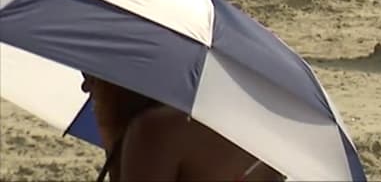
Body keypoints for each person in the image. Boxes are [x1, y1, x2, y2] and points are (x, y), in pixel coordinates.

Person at [82, 75, 281, 182]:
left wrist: (111, 128)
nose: (85, 87)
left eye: (90, 73)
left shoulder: (155, 130)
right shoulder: (244, 113)